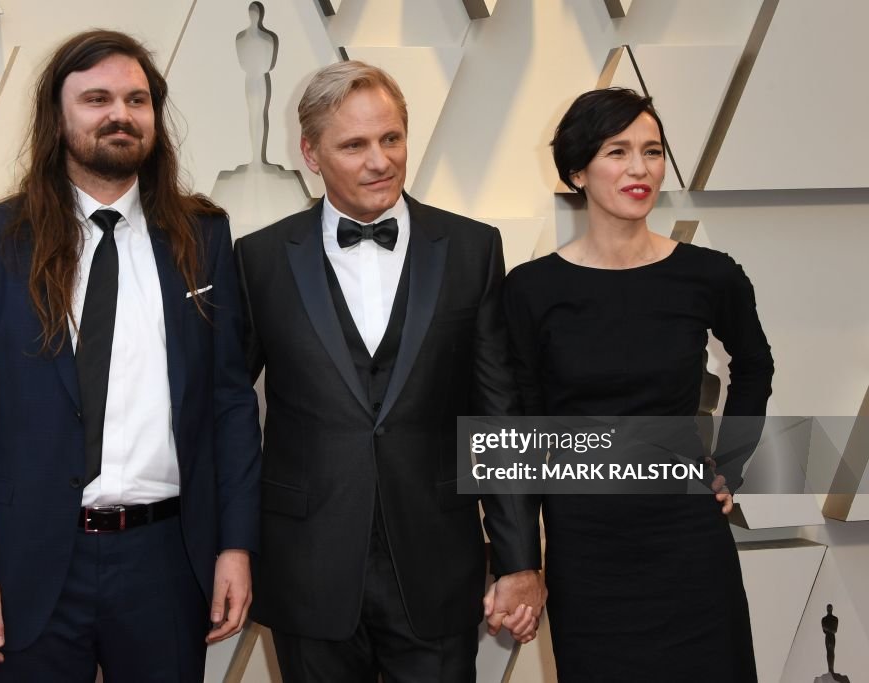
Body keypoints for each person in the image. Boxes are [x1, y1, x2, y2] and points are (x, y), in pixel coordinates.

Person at [0, 30, 261, 682]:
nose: (120, 115)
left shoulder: (204, 238)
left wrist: (236, 545)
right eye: (97, 98)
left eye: (138, 100)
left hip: (167, 561)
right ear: (59, 117)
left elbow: (230, 405)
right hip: (29, 565)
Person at [234, 60, 543, 682]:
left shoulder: (473, 249)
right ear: (311, 154)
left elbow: (498, 413)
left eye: (392, 138)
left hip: (436, 564)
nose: (380, 161)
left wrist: (518, 561)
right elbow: (228, 413)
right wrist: (228, 546)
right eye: (354, 144)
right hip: (308, 566)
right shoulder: (259, 258)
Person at [500, 87, 773, 682]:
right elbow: (519, 429)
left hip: (688, 537)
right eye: (617, 151)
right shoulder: (530, 289)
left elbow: (755, 364)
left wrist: (732, 461)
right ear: (578, 169)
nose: (639, 168)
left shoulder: (710, 275)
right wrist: (519, 560)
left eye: (651, 152)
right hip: (586, 545)